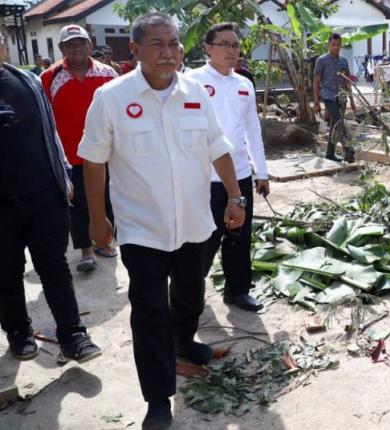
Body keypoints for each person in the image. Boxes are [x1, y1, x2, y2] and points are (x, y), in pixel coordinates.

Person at [78, 13, 244, 430]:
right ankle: (157, 398)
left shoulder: (194, 93)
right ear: (133, 50)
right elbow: (93, 163)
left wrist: (236, 196)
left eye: (174, 43)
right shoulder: (111, 98)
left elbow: (217, 146)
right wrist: (97, 220)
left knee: (190, 295)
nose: (168, 52)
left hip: (193, 223)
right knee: (149, 312)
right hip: (141, 229)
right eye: (157, 43)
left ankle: (185, 341)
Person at [0, 28, 102, 364]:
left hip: (43, 194)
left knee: (55, 267)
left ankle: (73, 336)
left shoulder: (26, 80)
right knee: (6, 271)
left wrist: (63, 173)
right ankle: (19, 333)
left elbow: (50, 130)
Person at [186, 22, 268, 312]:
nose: (232, 51)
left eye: (235, 45)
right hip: (204, 177)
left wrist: (261, 172)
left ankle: (237, 290)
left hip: (241, 175)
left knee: (239, 236)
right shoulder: (191, 81)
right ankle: (189, 289)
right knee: (204, 238)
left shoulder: (244, 84)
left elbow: (253, 131)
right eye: (225, 44)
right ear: (208, 48)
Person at [40, 24, 119, 273]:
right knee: (79, 203)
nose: (76, 48)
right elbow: (44, 118)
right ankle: (86, 251)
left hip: (107, 153)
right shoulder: (50, 77)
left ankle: (104, 243)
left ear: (90, 45)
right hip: (71, 155)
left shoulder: (109, 73)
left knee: (108, 199)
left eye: (81, 43)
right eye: (70, 44)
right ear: (62, 49)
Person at [312, 33, 357, 162]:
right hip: (328, 96)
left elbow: (347, 82)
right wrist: (316, 102)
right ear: (329, 45)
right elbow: (315, 82)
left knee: (334, 126)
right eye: (333, 44)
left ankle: (330, 154)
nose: (336, 47)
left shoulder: (344, 61)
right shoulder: (321, 61)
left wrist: (352, 101)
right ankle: (348, 149)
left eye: (338, 45)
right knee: (338, 121)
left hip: (342, 97)